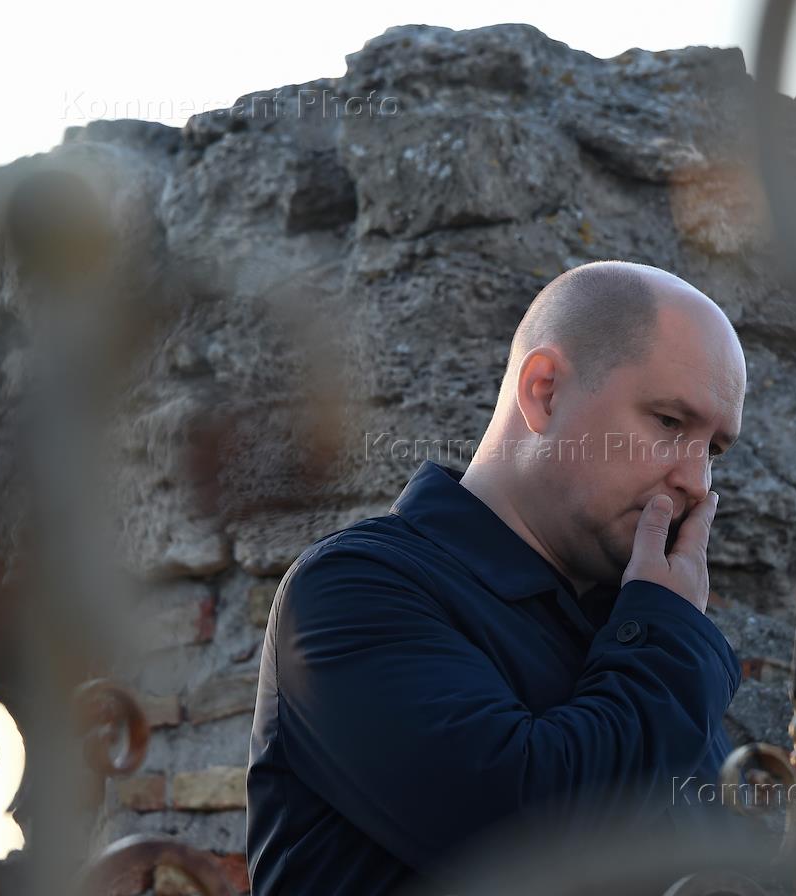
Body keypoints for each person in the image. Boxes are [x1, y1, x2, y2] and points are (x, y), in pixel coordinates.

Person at [246, 260, 749, 895]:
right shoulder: (354, 589)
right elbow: (533, 843)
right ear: (544, 391)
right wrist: (667, 638)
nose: (696, 481)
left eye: (714, 449)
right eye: (670, 422)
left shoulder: (636, 625)